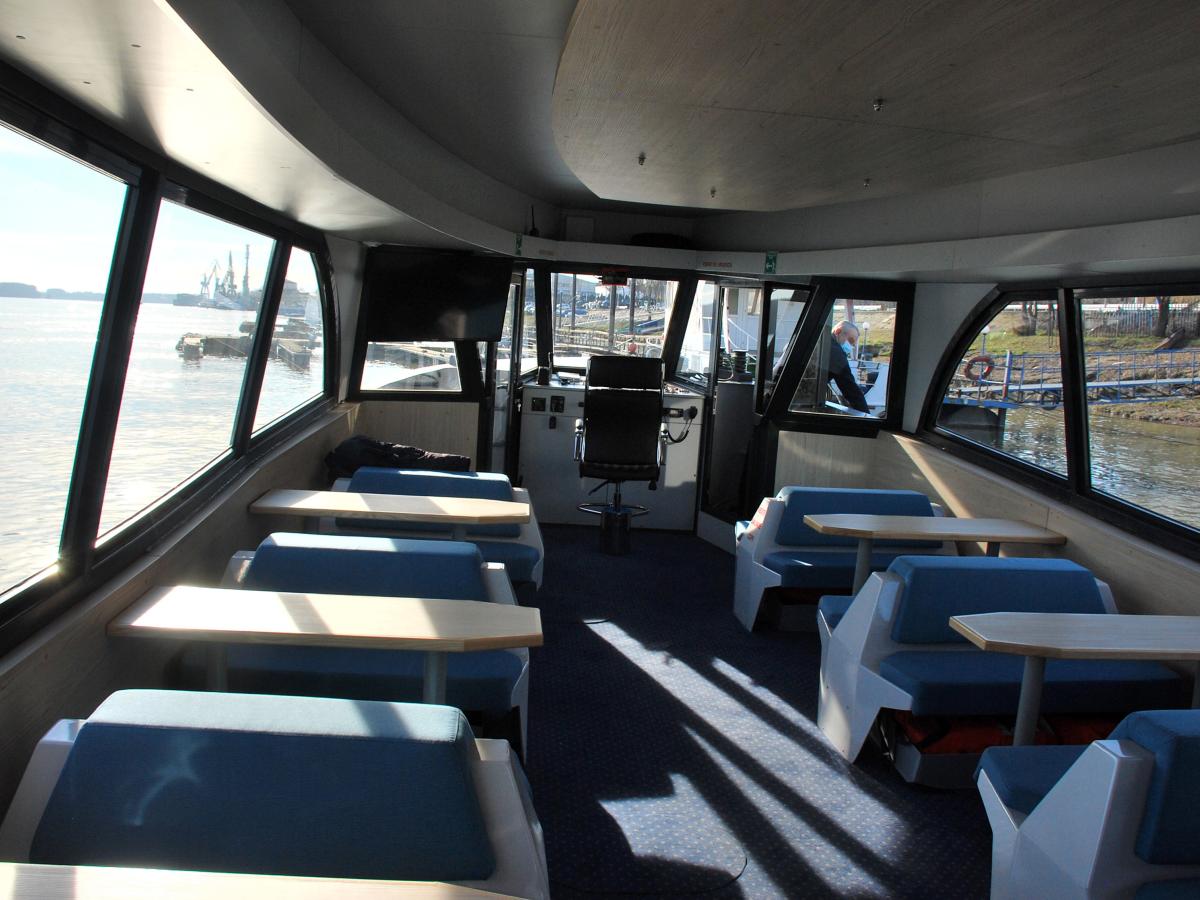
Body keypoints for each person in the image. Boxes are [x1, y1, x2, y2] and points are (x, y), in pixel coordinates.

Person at [828, 320, 871, 413]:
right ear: (838, 332)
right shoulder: (836, 354)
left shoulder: (823, 342)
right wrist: (866, 416)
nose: (852, 346)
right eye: (851, 341)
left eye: (853, 344)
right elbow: (851, 390)